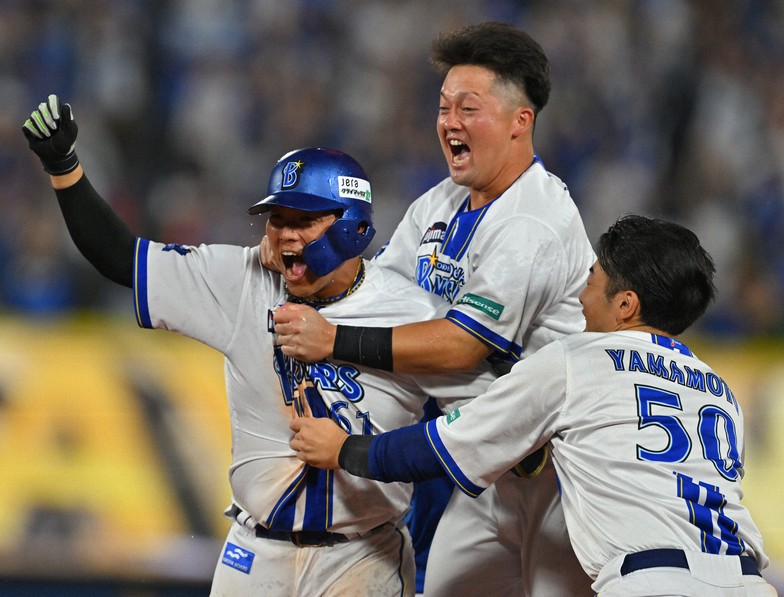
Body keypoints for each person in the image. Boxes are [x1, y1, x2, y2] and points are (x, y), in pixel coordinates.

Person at [21, 95, 496, 596]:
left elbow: (483, 423)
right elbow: (123, 260)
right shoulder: (243, 280)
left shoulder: (414, 313)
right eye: (277, 219)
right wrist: (65, 168)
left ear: (352, 225)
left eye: (303, 220)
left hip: (362, 555)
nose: (285, 234)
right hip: (254, 553)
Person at [290, 215, 779, 597]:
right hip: (749, 581)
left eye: (593, 279)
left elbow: (445, 446)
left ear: (626, 304)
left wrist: (346, 450)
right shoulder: (719, 390)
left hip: (652, 584)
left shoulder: (579, 359)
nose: (581, 296)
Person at [272, 21, 596, 596]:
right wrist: (303, 259)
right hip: (482, 461)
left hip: (558, 472)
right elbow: (378, 296)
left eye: (468, 109)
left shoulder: (533, 221)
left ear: (520, 121)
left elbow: (461, 346)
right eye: (444, 107)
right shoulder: (441, 202)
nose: (449, 122)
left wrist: (333, 339)